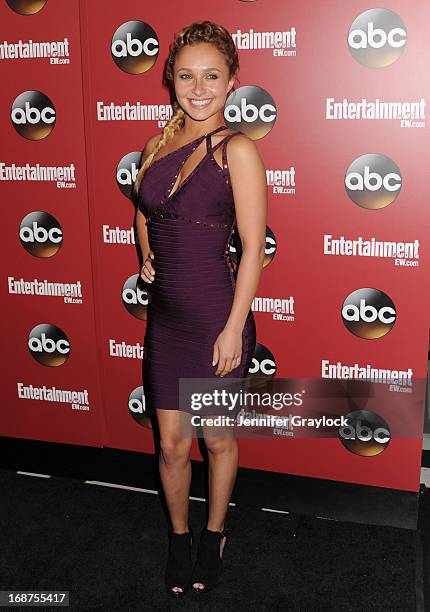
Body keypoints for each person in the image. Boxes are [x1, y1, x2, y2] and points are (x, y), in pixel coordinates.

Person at [132, 20, 267, 597]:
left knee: (215, 440)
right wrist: (145, 253)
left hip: (216, 317)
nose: (199, 87)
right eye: (186, 75)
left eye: (212, 76)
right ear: (171, 81)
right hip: (167, 319)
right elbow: (144, 210)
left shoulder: (238, 149)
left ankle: (214, 534)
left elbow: (255, 246)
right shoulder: (155, 145)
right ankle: (178, 538)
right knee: (171, 446)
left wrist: (234, 327)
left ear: (232, 81)